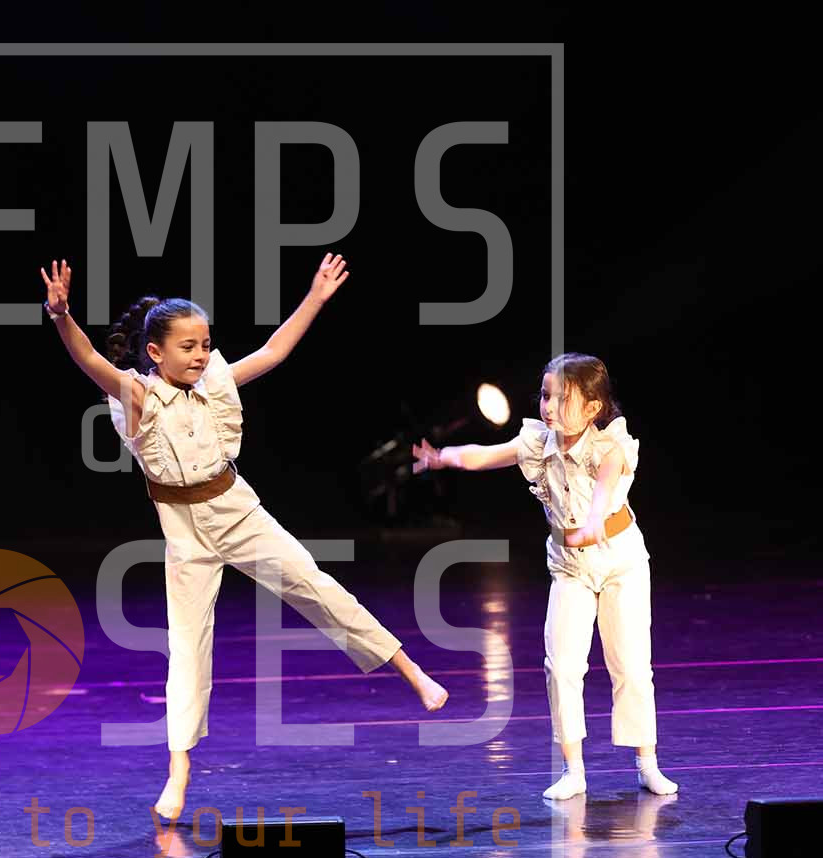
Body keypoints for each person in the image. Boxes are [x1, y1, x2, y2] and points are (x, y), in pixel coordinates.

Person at [41, 254, 448, 821]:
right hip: (185, 533)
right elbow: (87, 358)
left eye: (205, 344)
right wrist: (61, 316)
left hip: (237, 511)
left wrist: (315, 297)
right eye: (188, 347)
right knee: (188, 645)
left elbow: (275, 351)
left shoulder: (214, 381)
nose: (200, 355)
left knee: (314, 585)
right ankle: (178, 770)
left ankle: (410, 671)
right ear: (155, 352)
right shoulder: (135, 395)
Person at [412, 353, 677, 799]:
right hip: (569, 566)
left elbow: (605, 487)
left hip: (621, 561)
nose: (549, 407)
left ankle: (647, 763)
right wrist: (445, 457)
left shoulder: (609, 445)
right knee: (563, 666)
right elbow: (485, 455)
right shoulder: (538, 443)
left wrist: (593, 521)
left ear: (592, 408)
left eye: (561, 398)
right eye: (545, 395)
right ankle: (574, 770)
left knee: (631, 664)